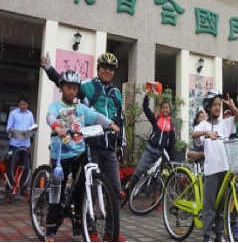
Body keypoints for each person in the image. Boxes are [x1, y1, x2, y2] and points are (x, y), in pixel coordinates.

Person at [41, 52, 126, 241]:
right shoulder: (86, 88)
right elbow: (65, 83)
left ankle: (110, 231)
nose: (107, 71)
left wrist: (118, 137)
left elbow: (117, 117)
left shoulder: (116, 93)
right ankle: (90, 230)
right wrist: (49, 69)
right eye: (104, 67)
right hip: (88, 146)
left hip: (108, 146)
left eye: (111, 69)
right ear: (98, 68)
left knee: (113, 191)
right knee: (90, 190)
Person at [192, 89, 238, 242]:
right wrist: (207, 133)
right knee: (209, 206)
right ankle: (207, 237)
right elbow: (194, 134)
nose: (217, 108)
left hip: (225, 170)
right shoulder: (203, 124)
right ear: (207, 107)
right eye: (214, 105)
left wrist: (232, 107)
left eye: (219, 105)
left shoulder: (225, 124)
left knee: (222, 206)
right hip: (211, 170)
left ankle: (219, 235)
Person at [125, 95, 176, 211]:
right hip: (150, 149)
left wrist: (171, 159)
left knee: (158, 178)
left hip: (161, 154)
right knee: (139, 171)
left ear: (169, 110)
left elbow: (172, 144)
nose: (165, 110)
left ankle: (156, 202)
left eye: (167, 108)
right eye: (163, 108)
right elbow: (146, 109)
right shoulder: (156, 118)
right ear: (160, 109)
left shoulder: (172, 125)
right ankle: (126, 189)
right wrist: (146, 98)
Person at [6, 95, 35, 198]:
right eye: (22, 104)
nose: (23, 106)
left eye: (25, 104)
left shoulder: (30, 114)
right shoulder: (13, 113)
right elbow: (8, 127)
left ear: (27, 104)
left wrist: (33, 130)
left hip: (25, 144)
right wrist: (10, 130)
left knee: (26, 167)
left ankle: (23, 188)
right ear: (19, 104)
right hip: (14, 144)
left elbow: (32, 127)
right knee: (11, 166)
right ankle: (10, 187)